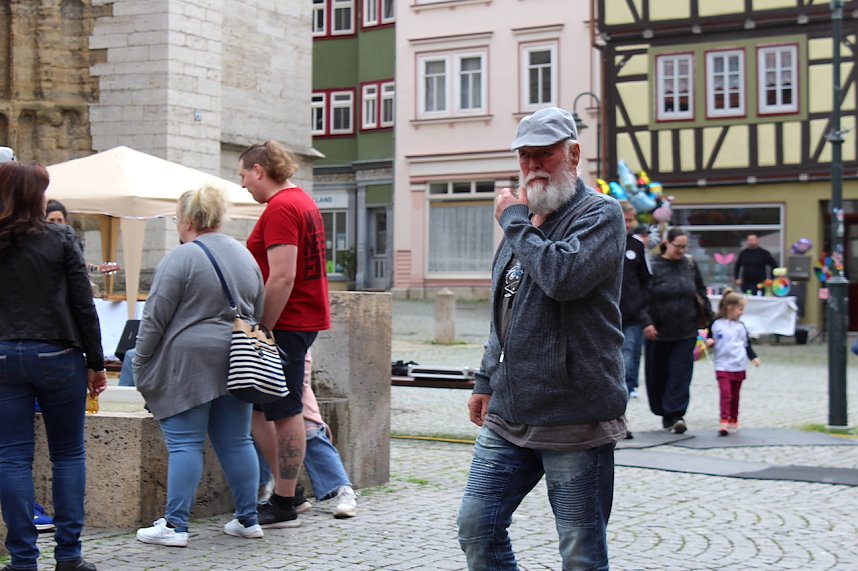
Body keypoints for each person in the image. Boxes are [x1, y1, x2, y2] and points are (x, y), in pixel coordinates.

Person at [457, 107, 628, 571]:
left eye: (543, 155)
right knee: (476, 527)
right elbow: (506, 310)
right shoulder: (524, 220)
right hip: (510, 412)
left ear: (573, 154)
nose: (532, 166)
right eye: (525, 156)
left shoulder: (601, 215)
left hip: (575, 415)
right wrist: (485, 379)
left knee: (579, 551)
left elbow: (562, 277)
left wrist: (514, 222)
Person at [133, 185, 265, 547]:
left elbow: (155, 317)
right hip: (239, 357)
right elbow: (259, 308)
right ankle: (248, 519)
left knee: (185, 444)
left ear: (189, 219)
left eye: (177, 218)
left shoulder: (182, 257)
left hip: (188, 362)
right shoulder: (245, 256)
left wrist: (142, 362)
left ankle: (176, 526)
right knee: (238, 441)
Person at [0, 160, 107, 571]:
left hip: (4, 356)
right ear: (35, 196)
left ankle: (23, 559)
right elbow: (84, 305)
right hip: (59, 356)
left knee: (11, 457)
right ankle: (69, 556)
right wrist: (97, 364)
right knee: (67, 455)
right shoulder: (61, 237)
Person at [238, 140, 331, 529]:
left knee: (285, 407)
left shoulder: (280, 207)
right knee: (262, 408)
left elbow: (283, 275)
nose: (243, 185)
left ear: (259, 170)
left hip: (288, 322)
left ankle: (285, 501)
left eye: (243, 175)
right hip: (300, 319)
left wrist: (263, 327)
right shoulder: (302, 201)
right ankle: (289, 491)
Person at [256, 351, 358, 518]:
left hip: (283, 345)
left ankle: (344, 490)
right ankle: (276, 492)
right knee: (262, 428)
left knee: (309, 432)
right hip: (269, 349)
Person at [641, 227, 713, 434]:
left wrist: (710, 319)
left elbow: (700, 292)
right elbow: (642, 297)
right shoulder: (653, 266)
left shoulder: (689, 265)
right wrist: (646, 322)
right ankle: (663, 412)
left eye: (684, 246)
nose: (681, 251)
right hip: (659, 330)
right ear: (667, 243)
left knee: (681, 374)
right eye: (678, 246)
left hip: (687, 329)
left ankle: (676, 414)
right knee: (658, 375)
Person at [704, 290, 760, 436]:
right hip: (722, 364)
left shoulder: (740, 327)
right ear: (730, 307)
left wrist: (753, 357)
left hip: (738, 365)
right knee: (726, 393)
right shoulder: (716, 324)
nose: (741, 312)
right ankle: (724, 420)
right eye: (740, 309)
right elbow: (709, 338)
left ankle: (733, 418)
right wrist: (709, 342)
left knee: (735, 394)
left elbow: (746, 345)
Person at [619, 201, 650, 401]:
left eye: (631, 220)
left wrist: (640, 304)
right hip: (607, 312)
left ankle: (627, 393)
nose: (628, 224)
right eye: (625, 219)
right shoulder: (603, 241)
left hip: (631, 313)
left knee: (629, 356)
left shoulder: (636, 246)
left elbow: (645, 279)